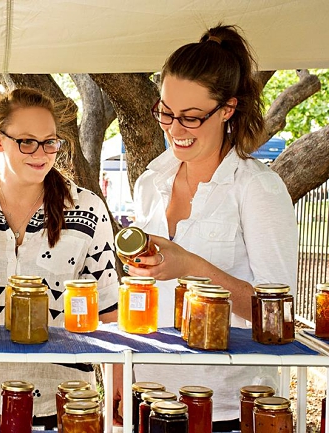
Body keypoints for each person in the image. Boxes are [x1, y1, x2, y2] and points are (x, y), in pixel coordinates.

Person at [128, 24, 298, 431]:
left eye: (191, 117)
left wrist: (191, 265)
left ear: (228, 109)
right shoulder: (150, 181)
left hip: (228, 408)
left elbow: (277, 319)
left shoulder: (257, 188)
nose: (174, 129)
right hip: (149, 396)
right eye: (166, 112)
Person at [0, 88, 119, 429]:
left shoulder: (87, 209)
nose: (40, 153)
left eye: (49, 142)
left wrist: (116, 383)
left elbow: (108, 309)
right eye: (27, 141)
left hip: (65, 397)